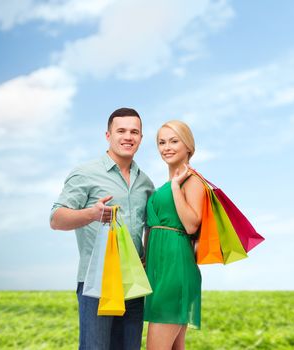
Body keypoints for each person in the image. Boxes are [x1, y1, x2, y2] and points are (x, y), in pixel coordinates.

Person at [50, 108, 154, 350]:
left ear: (141, 137)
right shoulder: (86, 173)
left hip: (134, 286)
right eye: (121, 131)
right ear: (108, 135)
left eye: (134, 132)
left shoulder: (146, 183)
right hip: (97, 283)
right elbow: (56, 218)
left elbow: (147, 228)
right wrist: (91, 214)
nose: (128, 136)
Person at [144, 120, 205, 350]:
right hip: (160, 273)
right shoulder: (164, 185)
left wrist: (175, 188)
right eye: (161, 142)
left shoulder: (193, 182)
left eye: (173, 141)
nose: (166, 147)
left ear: (188, 146)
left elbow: (191, 225)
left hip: (176, 271)